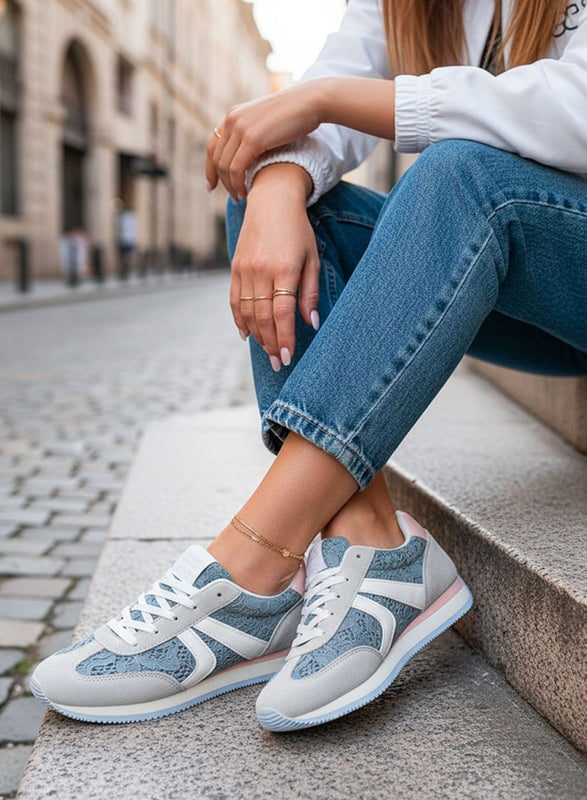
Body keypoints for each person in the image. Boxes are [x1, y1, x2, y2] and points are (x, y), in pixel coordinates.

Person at [31, 0, 586, 730]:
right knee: (277, 204)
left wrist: (319, 99)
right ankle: (369, 544)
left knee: (459, 174)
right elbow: (332, 79)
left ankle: (249, 569)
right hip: (530, 300)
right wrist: (279, 179)